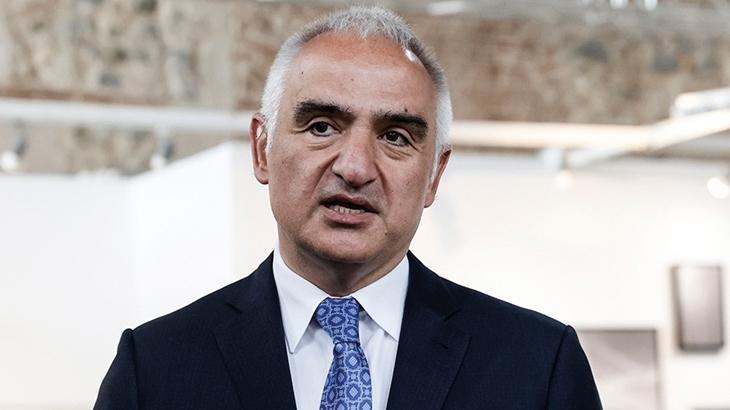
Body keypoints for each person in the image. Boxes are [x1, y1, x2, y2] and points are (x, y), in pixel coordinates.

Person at [95, 6, 601, 410]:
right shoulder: (155, 369)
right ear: (261, 149)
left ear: (434, 175)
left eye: (396, 136)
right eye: (322, 127)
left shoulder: (537, 367)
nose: (356, 167)